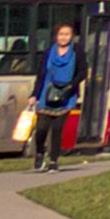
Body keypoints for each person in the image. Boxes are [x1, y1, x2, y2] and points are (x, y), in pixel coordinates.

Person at [29, 23, 86, 175]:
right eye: (61, 34)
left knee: (57, 129)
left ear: (72, 36)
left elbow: (83, 72)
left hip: (67, 96)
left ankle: (53, 161)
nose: (64, 37)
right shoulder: (49, 52)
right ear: (56, 36)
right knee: (41, 129)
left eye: (67, 34)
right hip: (46, 94)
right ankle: (40, 152)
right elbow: (41, 74)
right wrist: (34, 94)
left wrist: (70, 87)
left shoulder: (77, 51)